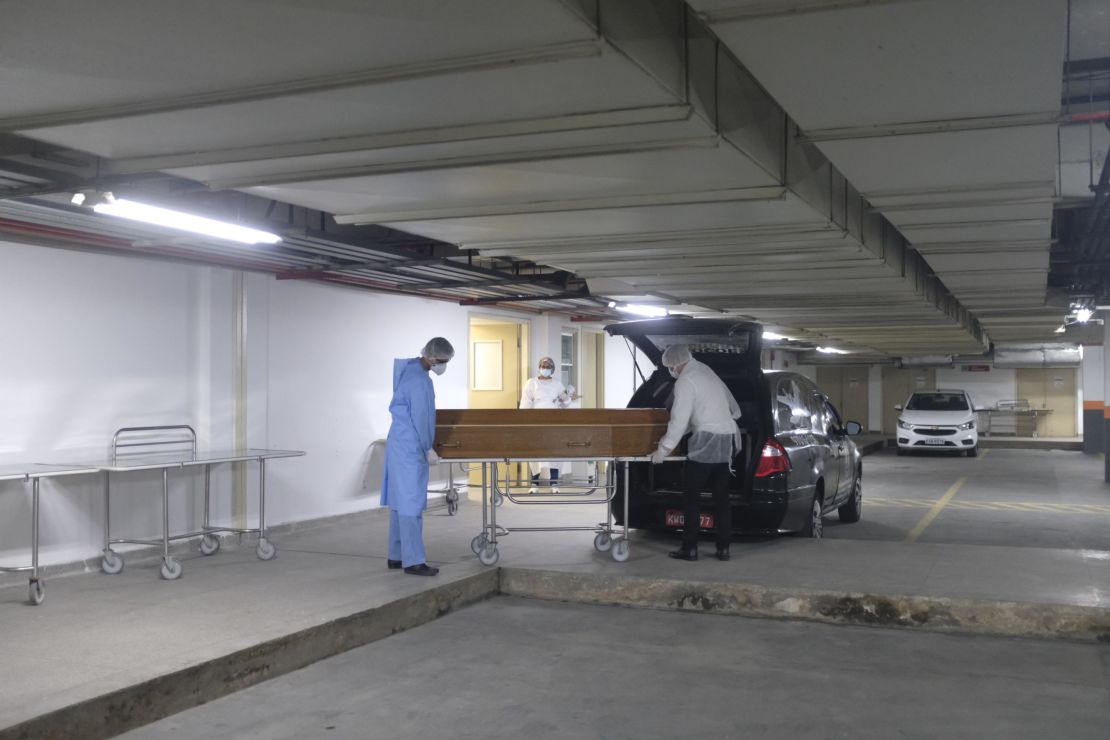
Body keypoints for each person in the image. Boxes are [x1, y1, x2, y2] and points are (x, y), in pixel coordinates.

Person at [650, 344, 742, 562]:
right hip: (726, 439)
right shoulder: (705, 370)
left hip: (706, 441)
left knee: (692, 498)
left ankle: (689, 548)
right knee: (722, 498)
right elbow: (730, 407)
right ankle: (723, 548)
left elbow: (679, 420)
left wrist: (663, 449)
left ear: (674, 364)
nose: (670, 370)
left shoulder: (685, 381)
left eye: (670, 367)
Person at [381, 337, 454, 576]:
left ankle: (396, 555)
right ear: (432, 358)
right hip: (411, 447)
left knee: (399, 503)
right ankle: (413, 561)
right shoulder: (420, 382)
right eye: (443, 361)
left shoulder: (409, 370)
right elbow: (422, 418)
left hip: (398, 443)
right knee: (411, 504)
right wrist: (427, 447)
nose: (443, 365)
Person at [519, 356, 574, 493]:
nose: (545, 368)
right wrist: (524, 421)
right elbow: (525, 403)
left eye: (548, 366)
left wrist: (567, 396)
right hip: (536, 422)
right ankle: (534, 485)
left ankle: (554, 484)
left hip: (553, 421)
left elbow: (566, 403)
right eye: (543, 366)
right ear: (539, 367)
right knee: (535, 453)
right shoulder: (532, 383)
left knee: (554, 452)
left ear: (552, 369)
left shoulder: (557, 384)